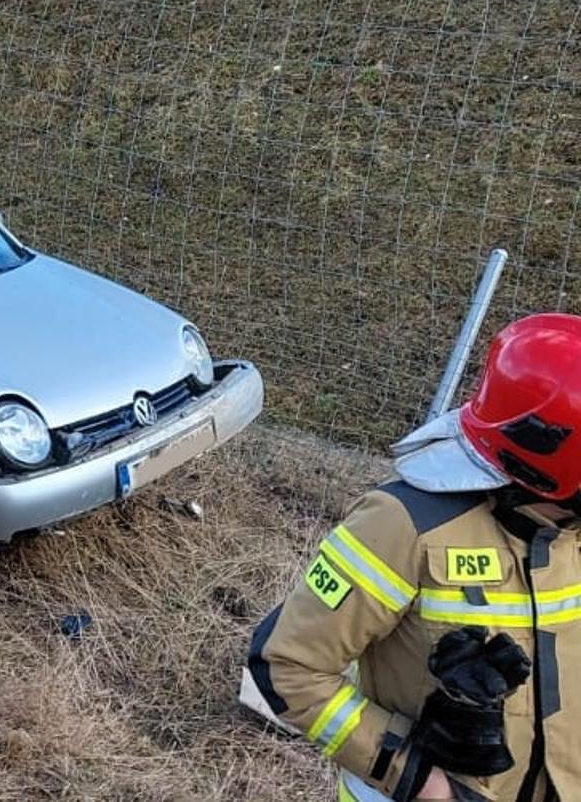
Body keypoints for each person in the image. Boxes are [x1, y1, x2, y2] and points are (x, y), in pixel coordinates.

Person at [249, 313, 581, 801]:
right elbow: (286, 666)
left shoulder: (568, 530)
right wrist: (420, 780)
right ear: (550, 454)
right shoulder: (404, 525)